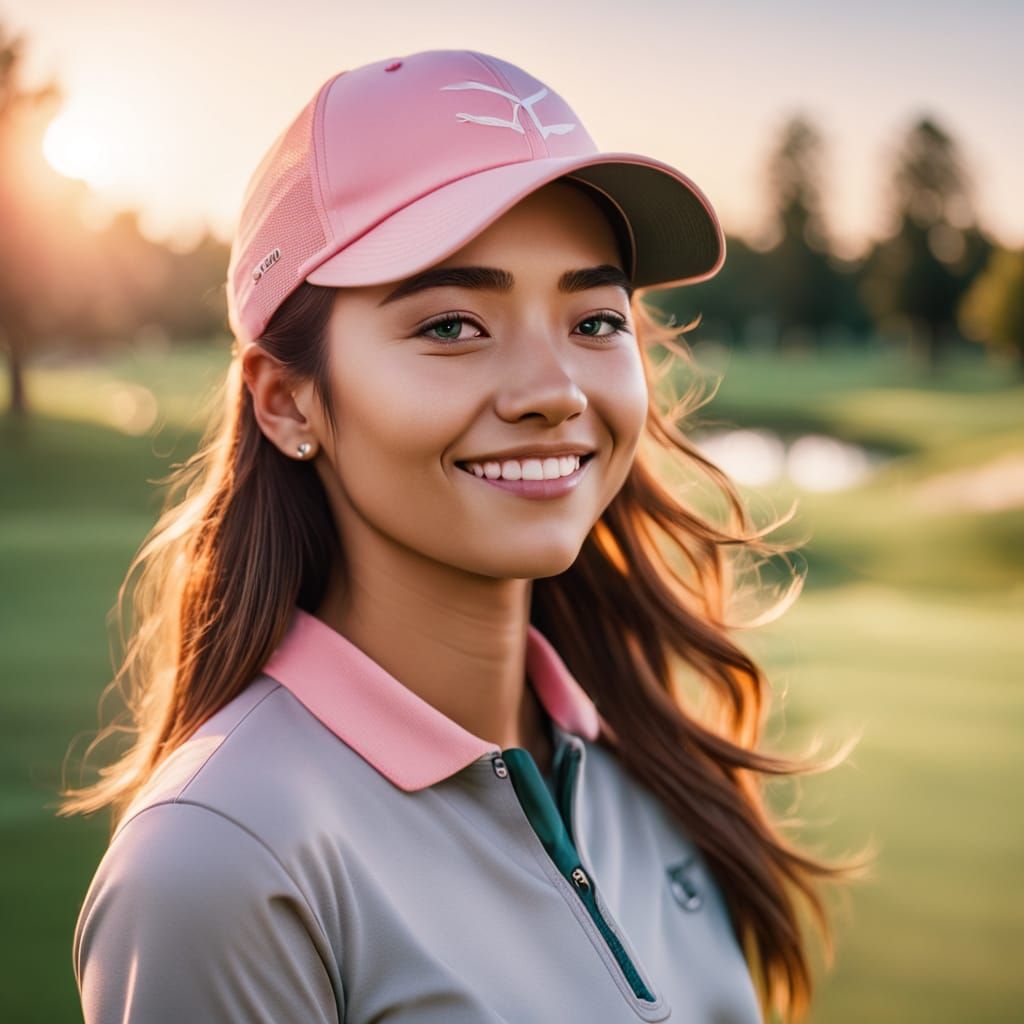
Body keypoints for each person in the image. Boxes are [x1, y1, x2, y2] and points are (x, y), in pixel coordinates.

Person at [63, 49, 859, 1023]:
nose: (554, 391)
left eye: (594, 321)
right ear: (287, 402)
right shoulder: (218, 863)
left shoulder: (641, 758)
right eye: (451, 325)